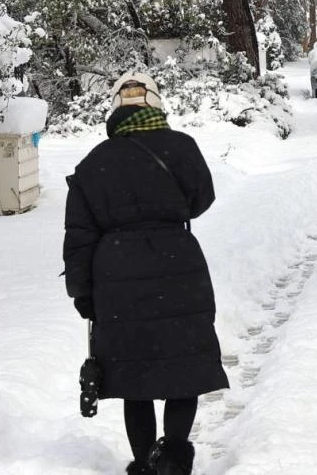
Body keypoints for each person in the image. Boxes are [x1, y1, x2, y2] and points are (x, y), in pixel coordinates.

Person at [63, 72, 229, 475]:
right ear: (155, 104)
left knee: (132, 376)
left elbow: (79, 235)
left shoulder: (93, 164)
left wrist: (82, 292)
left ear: (115, 110)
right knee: (182, 368)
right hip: (179, 266)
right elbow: (201, 199)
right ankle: (173, 456)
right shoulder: (182, 148)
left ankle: (141, 463)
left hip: (116, 277)